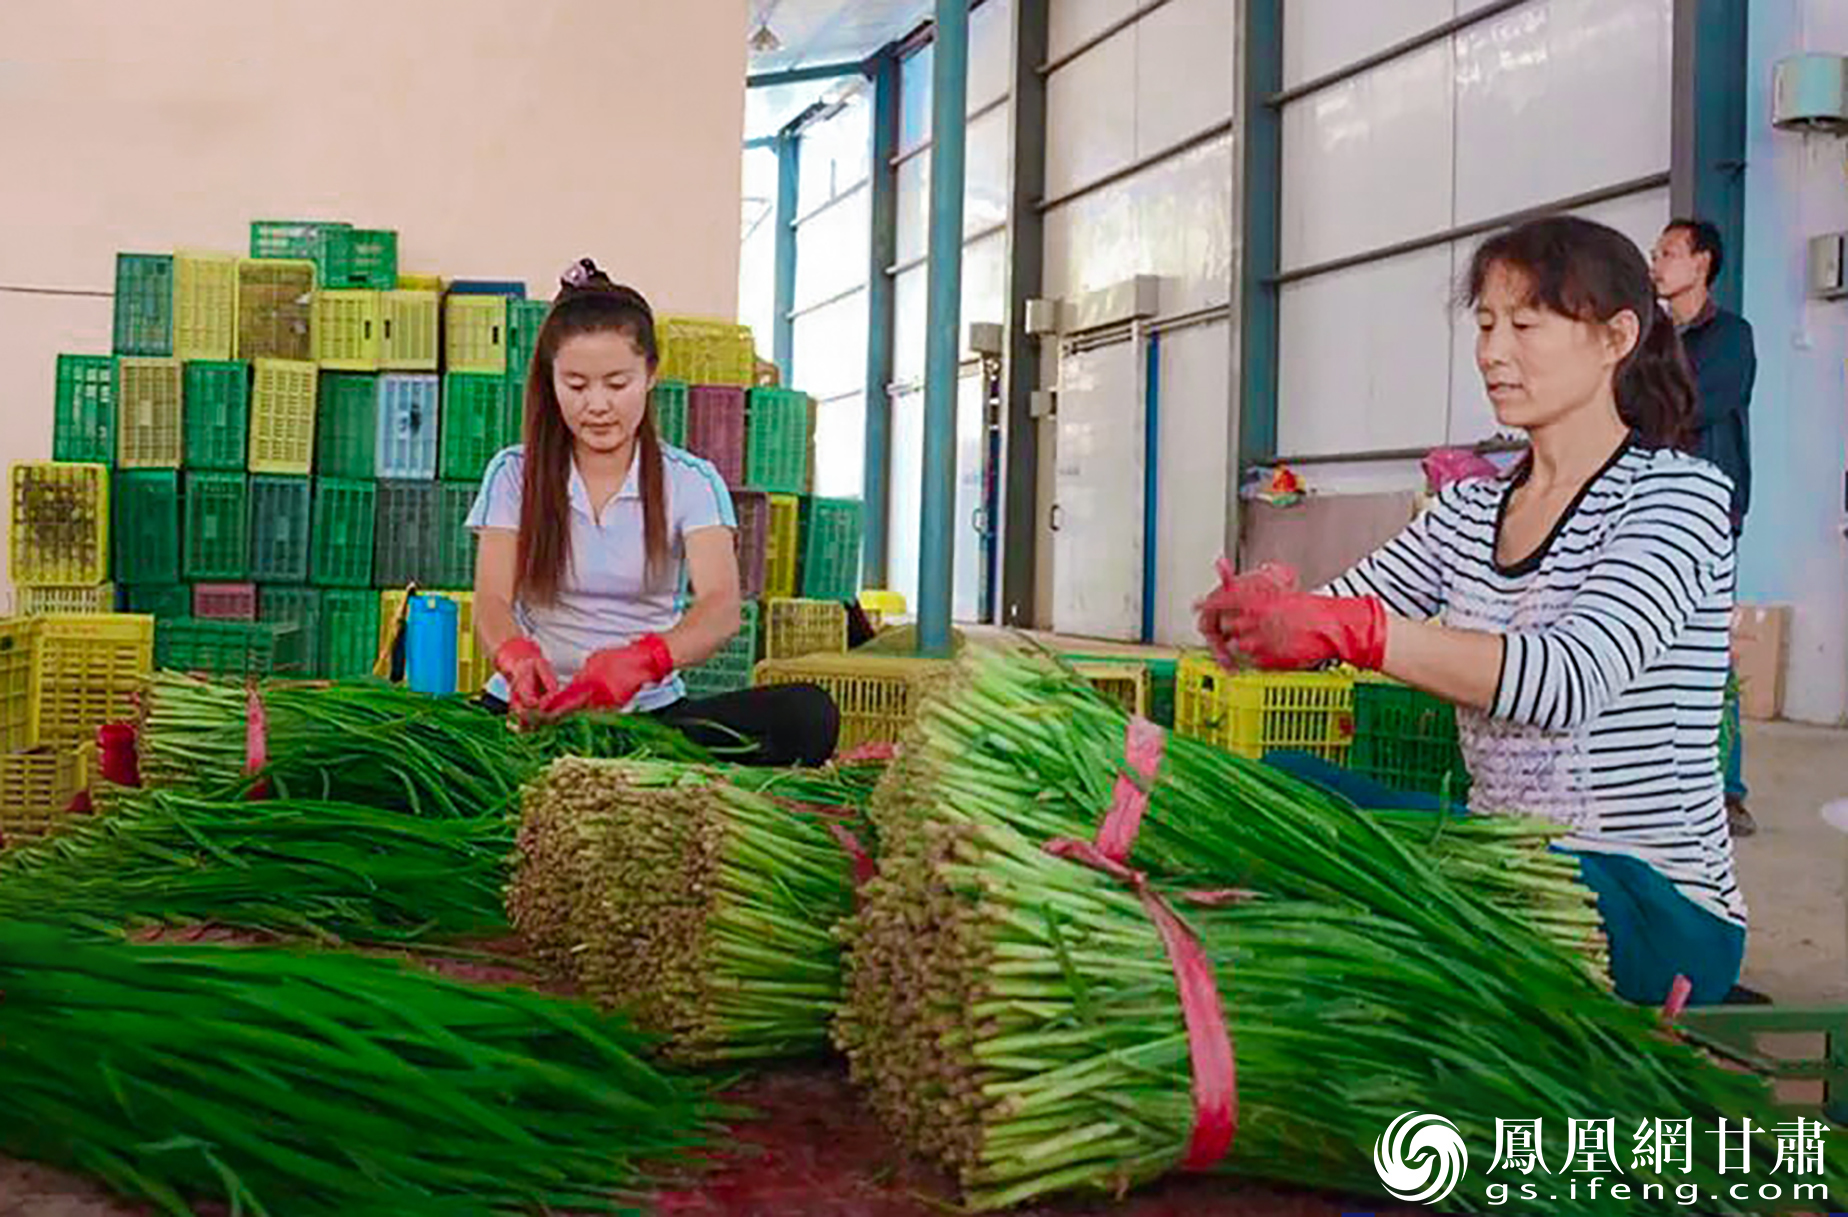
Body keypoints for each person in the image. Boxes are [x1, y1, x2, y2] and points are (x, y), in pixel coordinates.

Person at [1197, 216, 1742, 1007]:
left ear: (1616, 336)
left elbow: (1566, 680)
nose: (1493, 351)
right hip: (1507, 856)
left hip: (1647, 900)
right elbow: (1345, 611)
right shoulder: (1469, 511)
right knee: (1281, 785)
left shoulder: (1677, 498)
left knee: (1400, 885)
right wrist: (1262, 616)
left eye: (1526, 324)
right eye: (1485, 324)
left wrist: (1356, 632)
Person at [468, 258, 838, 766]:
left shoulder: (689, 480)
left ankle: (628, 761)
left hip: (649, 716)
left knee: (808, 715)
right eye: (575, 386)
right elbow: (490, 599)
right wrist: (515, 658)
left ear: (651, 375)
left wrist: (644, 662)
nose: (597, 404)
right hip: (530, 714)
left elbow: (721, 607)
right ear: (550, 383)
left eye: (617, 384)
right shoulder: (513, 473)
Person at [1651, 218, 1759, 837]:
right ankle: (1668, 779)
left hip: (1711, 512)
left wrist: (1650, 401)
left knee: (1709, 649)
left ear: (1702, 263)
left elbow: (1696, 404)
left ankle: (1727, 790)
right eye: (1655, 253)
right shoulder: (1651, 338)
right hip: (1651, 505)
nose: (1657, 263)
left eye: (1668, 253)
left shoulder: (1731, 337)